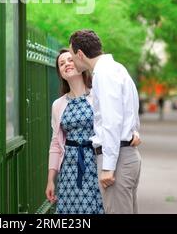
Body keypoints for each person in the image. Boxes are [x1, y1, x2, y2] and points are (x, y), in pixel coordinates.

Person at [69, 29, 141, 214]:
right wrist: (134, 130)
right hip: (126, 154)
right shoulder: (117, 68)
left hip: (117, 160)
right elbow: (130, 111)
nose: (71, 60)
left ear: (80, 54)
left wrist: (108, 167)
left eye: (71, 55)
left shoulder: (103, 74)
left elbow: (111, 121)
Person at [45, 48, 104, 214]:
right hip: (69, 169)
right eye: (62, 64)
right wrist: (51, 180)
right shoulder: (58, 105)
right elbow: (56, 143)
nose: (66, 65)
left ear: (80, 64)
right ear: (61, 73)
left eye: (70, 60)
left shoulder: (97, 96)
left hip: (95, 163)